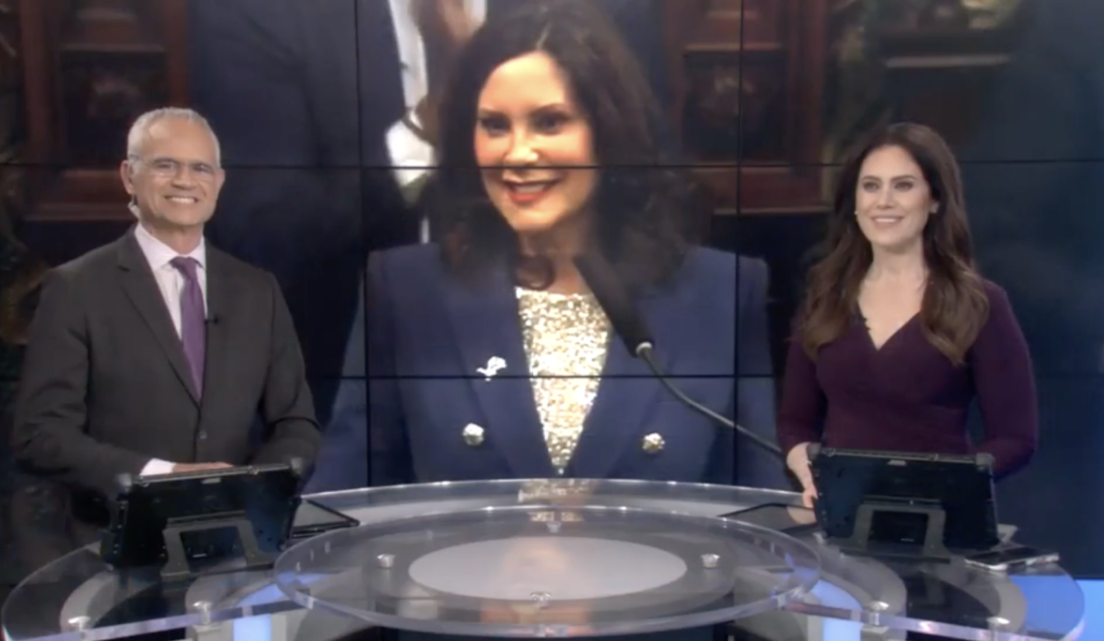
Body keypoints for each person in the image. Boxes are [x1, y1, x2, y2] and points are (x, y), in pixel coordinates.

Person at [306, 0, 782, 492]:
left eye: (550, 122)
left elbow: (760, 514)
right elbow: (340, 505)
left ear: (608, 131)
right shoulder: (404, 292)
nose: (517, 153)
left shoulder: (720, 294)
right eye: (494, 125)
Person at [186, 0, 674, 412]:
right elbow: (263, 237)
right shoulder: (261, 12)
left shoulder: (608, 9)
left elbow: (653, 188)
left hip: (588, 376)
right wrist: (423, 135)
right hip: (341, 385)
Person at [10, 108, 321, 550]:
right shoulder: (76, 288)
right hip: (115, 548)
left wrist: (249, 490)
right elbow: (39, 435)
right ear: (128, 176)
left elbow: (297, 424)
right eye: (165, 165)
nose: (184, 181)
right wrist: (161, 477)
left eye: (200, 168)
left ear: (218, 181)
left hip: (237, 543)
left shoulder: (258, 290)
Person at [778, 122, 1038, 506]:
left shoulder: (980, 302)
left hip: (939, 521)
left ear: (934, 199)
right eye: (870, 186)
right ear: (854, 201)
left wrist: (944, 483)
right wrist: (810, 472)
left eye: (903, 185)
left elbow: (1017, 437)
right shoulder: (824, 296)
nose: (883, 201)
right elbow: (795, 422)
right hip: (842, 518)